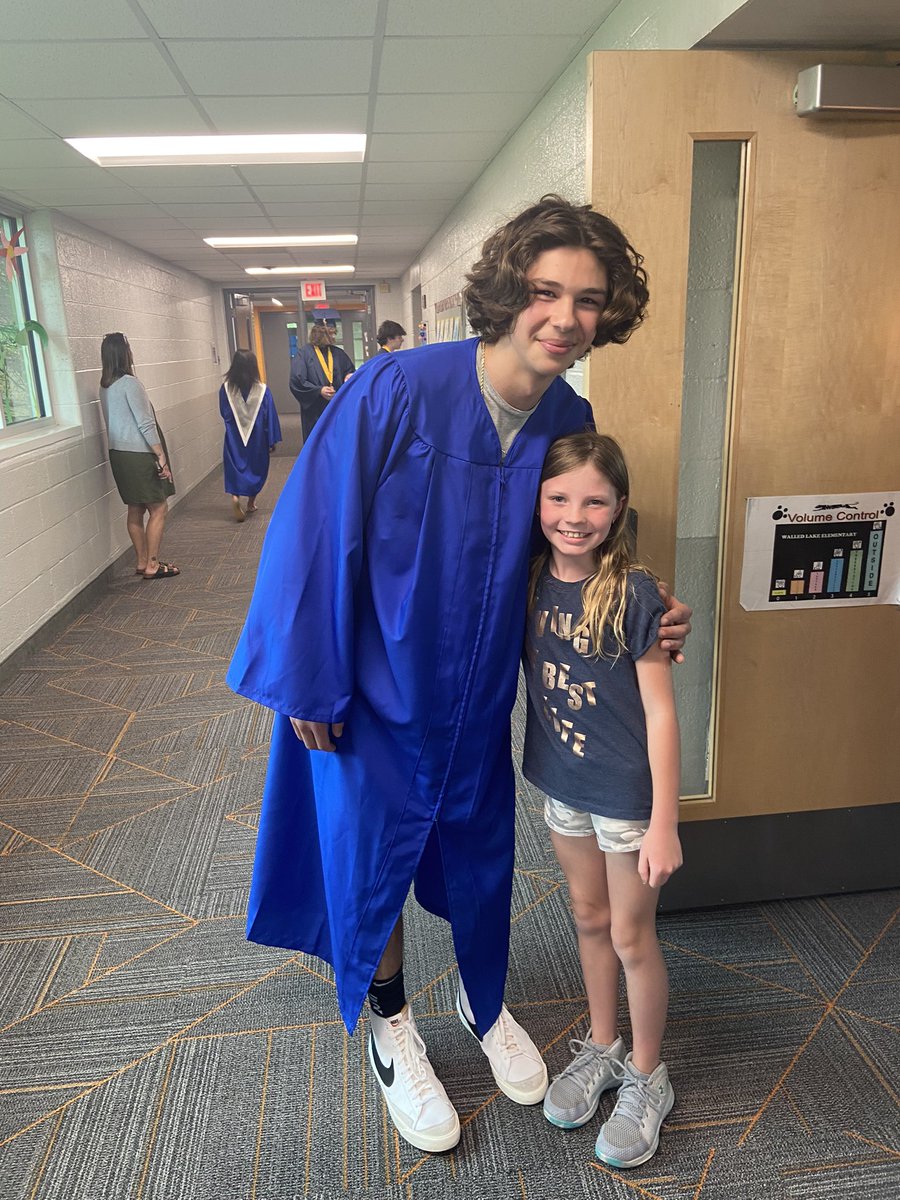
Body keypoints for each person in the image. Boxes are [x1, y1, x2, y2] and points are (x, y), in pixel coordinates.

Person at [227, 195, 692, 1154]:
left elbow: (570, 549)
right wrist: (307, 681)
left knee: (480, 855)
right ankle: (393, 1024)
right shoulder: (397, 389)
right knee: (374, 857)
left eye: (590, 300)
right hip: (369, 683)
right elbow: (313, 533)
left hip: (480, 687)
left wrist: (648, 611)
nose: (565, 317)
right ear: (506, 292)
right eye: (545, 291)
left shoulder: (569, 416)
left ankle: (486, 1006)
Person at [524, 432, 681, 1168]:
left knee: (629, 936)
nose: (574, 515)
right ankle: (604, 1045)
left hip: (625, 800)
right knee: (587, 919)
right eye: (559, 497)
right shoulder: (526, 581)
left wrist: (664, 824)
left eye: (593, 500)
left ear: (619, 509)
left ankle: (648, 1077)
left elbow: (660, 712)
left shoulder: (634, 592)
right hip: (564, 787)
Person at [98, 332, 179, 580]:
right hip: (139, 454)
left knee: (135, 508)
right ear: (125, 354)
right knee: (159, 508)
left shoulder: (105, 386)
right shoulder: (131, 384)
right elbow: (145, 424)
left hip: (118, 454)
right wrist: (161, 456)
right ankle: (153, 564)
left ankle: (142, 561)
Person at [219, 350, 282, 523]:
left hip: (234, 437)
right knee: (256, 467)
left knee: (235, 466)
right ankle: (251, 503)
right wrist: (272, 440)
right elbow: (270, 416)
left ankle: (235, 496)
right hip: (257, 438)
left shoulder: (225, 389)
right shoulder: (262, 390)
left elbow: (224, 413)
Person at [288, 322, 354, 441]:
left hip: (336, 405)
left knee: (338, 440)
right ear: (320, 334)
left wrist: (349, 375)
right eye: (331, 334)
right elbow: (297, 380)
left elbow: (349, 370)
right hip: (315, 409)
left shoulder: (338, 353)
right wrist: (319, 390)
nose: (334, 337)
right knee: (317, 441)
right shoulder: (304, 354)